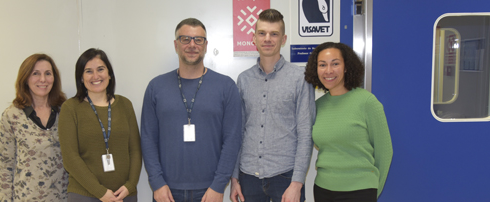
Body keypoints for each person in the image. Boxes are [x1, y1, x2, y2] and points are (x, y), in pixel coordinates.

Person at [141, 18, 242, 202]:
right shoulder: (156, 87)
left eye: (198, 39)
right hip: (167, 191)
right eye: (185, 39)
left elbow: (233, 139)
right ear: (176, 44)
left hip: (210, 190)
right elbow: (148, 139)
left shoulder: (226, 86)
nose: (192, 45)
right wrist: (156, 183)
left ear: (205, 45)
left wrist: (219, 185)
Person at [230, 9, 316, 202]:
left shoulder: (300, 78)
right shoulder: (243, 80)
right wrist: (234, 177)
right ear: (254, 38)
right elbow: (238, 132)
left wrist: (297, 182)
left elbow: (305, 134)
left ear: (283, 39)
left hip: (285, 177)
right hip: (248, 177)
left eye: (274, 34)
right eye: (262, 33)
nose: (267, 38)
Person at [304, 42, 393, 202]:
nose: (328, 70)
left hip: (359, 190)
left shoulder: (367, 102)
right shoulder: (318, 106)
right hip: (323, 189)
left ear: (346, 67)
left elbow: (385, 151)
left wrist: (372, 190)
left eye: (335, 64)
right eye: (322, 65)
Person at [59, 48, 142, 202]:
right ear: (81, 78)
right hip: (85, 195)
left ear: (109, 74)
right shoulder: (70, 108)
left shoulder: (125, 104)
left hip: (124, 195)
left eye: (100, 69)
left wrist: (130, 185)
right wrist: (100, 192)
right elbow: (70, 158)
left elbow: (135, 150)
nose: (95, 76)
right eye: (88, 71)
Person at [0, 53, 69, 201]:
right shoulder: (11, 116)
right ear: (25, 79)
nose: (43, 79)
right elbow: (4, 165)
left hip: (64, 197)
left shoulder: (66, 111)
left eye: (48, 73)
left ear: (54, 79)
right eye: (36, 73)